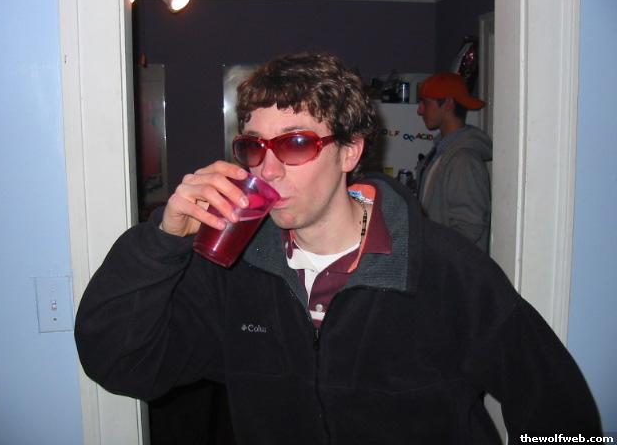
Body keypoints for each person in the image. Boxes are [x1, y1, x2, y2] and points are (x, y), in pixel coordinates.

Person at [75, 51, 601, 444]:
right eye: (253, 146)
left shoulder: (444, 269)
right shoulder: (233, 272)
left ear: (350, 152)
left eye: (295, 143)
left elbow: (561, 414)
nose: (267, 169)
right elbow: (122, 364)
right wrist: (163, 240)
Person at [416, 72, 492, 251]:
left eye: (425, 103)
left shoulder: (464, 160)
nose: (419, 110)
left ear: (448, 104)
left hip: (451, 265)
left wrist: (438, 255)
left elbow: (469, 227)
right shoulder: (442, 151)